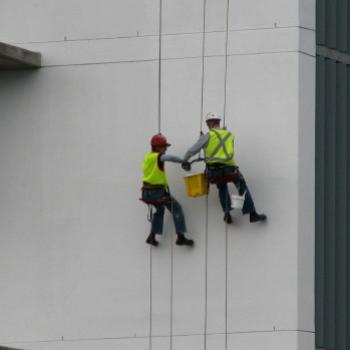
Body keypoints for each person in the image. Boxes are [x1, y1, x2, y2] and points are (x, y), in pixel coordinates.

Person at [182, 112, 266, 224]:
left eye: (208, 123)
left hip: (214, 172)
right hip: (230, 169)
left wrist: (184, 160)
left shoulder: (208, 136)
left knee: (222, 187)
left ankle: (227, 213)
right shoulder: (229, 134)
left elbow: (191, 151)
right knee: (242, 187)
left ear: (210, 123)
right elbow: (223, 147)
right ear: (219, 122)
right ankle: (252, 214)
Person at [141, 133, 194, 247]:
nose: (166, 149)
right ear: (156, 147)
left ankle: (152, 236)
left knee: (160, 211)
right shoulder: (158, 156)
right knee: (177, 208)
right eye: (164, 146)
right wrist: (183, 161)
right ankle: (180, 237)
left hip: (146, 192)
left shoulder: (148, 157)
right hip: (157, 192)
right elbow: (169, 158)